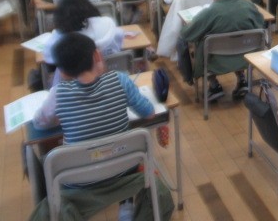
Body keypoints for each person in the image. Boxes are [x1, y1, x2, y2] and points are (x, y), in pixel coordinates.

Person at [32, 33, 174, 221]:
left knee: (43, 159)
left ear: (63, 72)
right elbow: (149, 113)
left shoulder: (58, 94)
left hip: (78, 181)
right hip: (124, 170)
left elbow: (39, 123)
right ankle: (126, 204)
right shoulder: (120, 80)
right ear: (97, 55)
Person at [180, 0, 264, 101]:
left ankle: (214, 85)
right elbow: (261, 23)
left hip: (217, 61)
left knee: (202, 41)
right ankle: (242, 79)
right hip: (247, 57)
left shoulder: (210, 12)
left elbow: (187, 34)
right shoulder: (248, 5)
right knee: (239, 37)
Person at [42, 0, 124, 87]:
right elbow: (120, 40)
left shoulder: (59, 38)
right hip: (112, 80)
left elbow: (49, 58)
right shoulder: (107, 25)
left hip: (72, 89)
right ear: (89, 7)